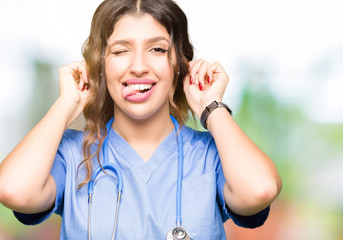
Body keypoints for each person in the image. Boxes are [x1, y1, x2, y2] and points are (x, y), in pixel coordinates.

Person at [0, 0, 282, 239]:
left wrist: (210, 107)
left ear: (180, 64)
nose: (138, 67)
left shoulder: (213, 155)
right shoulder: (71, 155)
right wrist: (66, 105)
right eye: (121, 51)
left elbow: (260, 189)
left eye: (157, 49)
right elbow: (13, 190)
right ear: (100, 64)